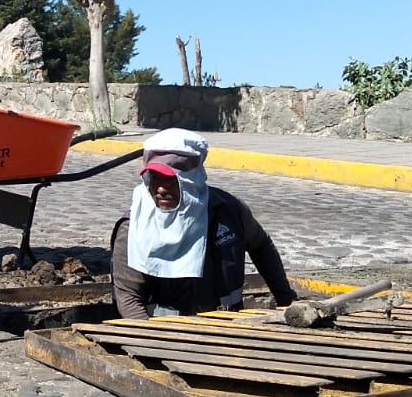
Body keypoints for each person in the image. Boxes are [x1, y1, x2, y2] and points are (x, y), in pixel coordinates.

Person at [110, 128, 299, 319]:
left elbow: (262, 246)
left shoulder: (228, 210)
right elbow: (129, 298)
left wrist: (287, 302)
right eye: (154, 178)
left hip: (229, 325)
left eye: (170, 180)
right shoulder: (134, 227)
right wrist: (152, 342)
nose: (160, 188)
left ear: (191, 180)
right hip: (168, 332)